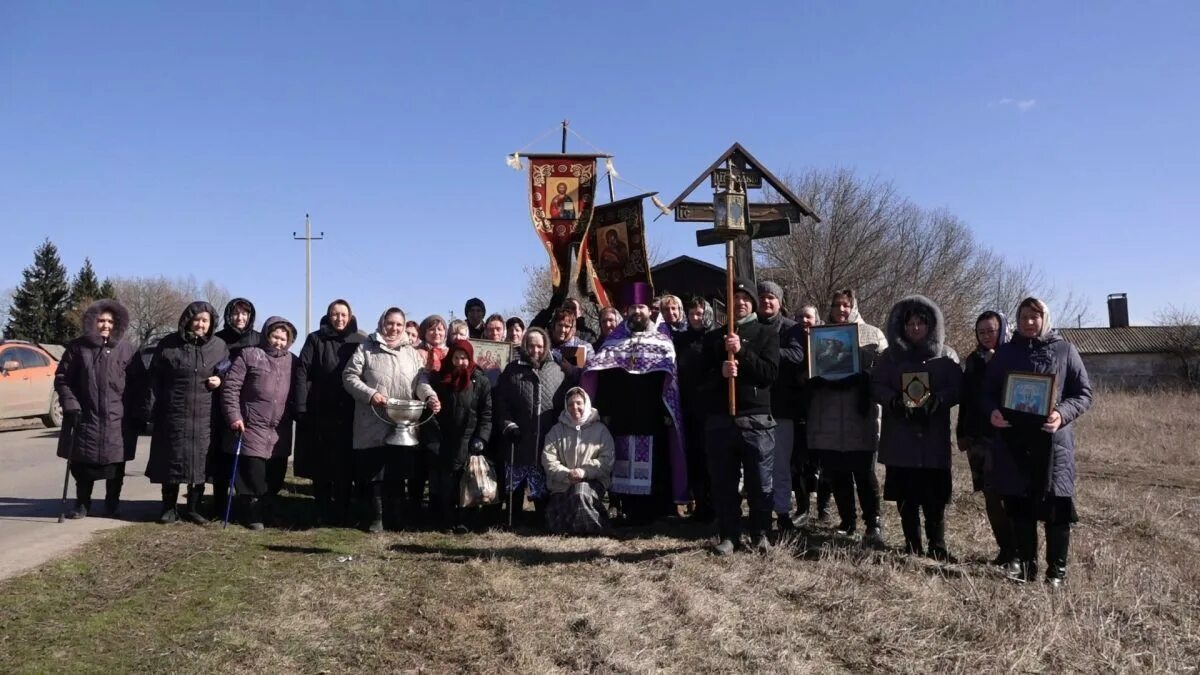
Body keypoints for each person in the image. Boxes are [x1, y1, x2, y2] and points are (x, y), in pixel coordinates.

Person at [984, 297, 1093, 587]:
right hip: (1013, 442)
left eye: (1035, 316)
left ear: (1045, 318)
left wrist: (1061, 413)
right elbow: (986, 391)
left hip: (1053, 445)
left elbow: (1083, 394)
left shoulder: (1065, 351)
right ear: (1016, 321)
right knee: (1019, 507)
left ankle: (1055, 573)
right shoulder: (1005, 354)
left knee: (1056, 510)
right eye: (1023, 317)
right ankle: (1027, 568)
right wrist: (992, 411)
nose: (1029, 322)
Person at [582, 289, 689, 526]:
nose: (637, 312)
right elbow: (603, 377)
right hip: (623, 413)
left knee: (655, 461)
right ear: (626, 311)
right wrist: (606, 411)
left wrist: (667, 411)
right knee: (622, 460)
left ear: (649, 310)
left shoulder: (662, 340)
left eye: (641, 307)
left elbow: (670, 379)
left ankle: (656, 511)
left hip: (653, 414)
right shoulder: (614, 341)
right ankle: (626, 509)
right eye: (632, 308)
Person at [872, 296, 962, 560]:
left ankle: (938, 545)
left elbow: (958, 388)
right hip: (901, 437)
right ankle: (912, 544)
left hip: (933, 438)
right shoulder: (889, 357)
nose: (914, 328)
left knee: (935, 497)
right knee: (907, 496)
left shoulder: (946, 355)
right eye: (909, 323)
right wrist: (893, 400)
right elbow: (875, 386)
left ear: (931, 325)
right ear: (901, 326)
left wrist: (938, 400)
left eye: (920, 324)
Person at [343, 307, 440, 533]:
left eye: (399, 324)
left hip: (402, 423)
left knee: (398, 472)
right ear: (382, 323)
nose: (394, 328)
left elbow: (421, 381)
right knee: (375, 473)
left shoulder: (411, 353)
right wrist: (370, 394)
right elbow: (349, 376)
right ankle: (376, 518)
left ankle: (396, 517)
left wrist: (430, 396)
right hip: (372, 419)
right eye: (390, 323)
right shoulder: (366, 348)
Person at [805, 289, 888, 548]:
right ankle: (847, 521)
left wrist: (864, 376)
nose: (840, 310)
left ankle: (873, 523)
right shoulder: (821, 336)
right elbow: (807, 371)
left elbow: (884, 370)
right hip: (828, 416)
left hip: (859, 416)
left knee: (864, 473)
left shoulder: (872, 334)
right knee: (836, 473)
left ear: (853, 305)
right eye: (836, 305)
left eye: (845, 305)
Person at [702, 280, 779, 554]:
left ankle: (760, 534)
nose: (741, 302)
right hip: (721, 422)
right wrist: (719, 374)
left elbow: (769, 374)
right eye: (736, 298)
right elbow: (699, 382)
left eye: (746, 298)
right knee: (724, 484)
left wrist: (742, 351)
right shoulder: (713, 338)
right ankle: (729, 536)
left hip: (756, 420)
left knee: (759, 483)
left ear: (753, 304)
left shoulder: (766, 334)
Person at [54, 299, 141, 519]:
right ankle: (82, 503)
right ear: (93, 322)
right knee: (82, 464)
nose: (105, 325)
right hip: (85, 416)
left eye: (110, 321)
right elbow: (62, 378)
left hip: (116, 418)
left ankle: (112, 504)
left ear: (117, 323)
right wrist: (70, 403)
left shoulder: (127, 350)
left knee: (115, 465)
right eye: (101, 320)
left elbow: (139, 382)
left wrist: (136, 411)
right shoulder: (78, 347)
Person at [145, 301, 229, 524]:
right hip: (173, 412)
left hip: (205, 414)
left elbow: (227, 369)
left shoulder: (219, 346)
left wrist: (220, 378)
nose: (200, 324)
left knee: (200, 462)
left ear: (211, 324)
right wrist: (150, 410)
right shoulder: (169, 344)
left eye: (205, 320)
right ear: (187, 320)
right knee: (171, 461)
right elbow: (154, 378)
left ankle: (193, 507)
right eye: (197, 320)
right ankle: (168, 508)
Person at [218, 317, 297, 530]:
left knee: (274, 476)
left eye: (284, 339)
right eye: (275, 337)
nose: (279, 342)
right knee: (252, 476)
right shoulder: (249, 355)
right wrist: (234, 416)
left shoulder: (293, 361)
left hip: (279, 431)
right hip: (251, 427)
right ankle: (251, 513)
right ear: (266, 335)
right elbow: (231, 388)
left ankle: (268, 511)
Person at [293, 299, 366, 525]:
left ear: (351, 316)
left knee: (345, 464)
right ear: (328, 316)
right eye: (335, 314)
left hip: (350, 409)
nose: (339, 319)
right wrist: (301, 405)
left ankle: (342, 510)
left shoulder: (360, 340)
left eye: (343, 314)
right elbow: (302, 371)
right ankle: (322, 510)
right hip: (320, 409)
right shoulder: (316, 339)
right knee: (321, 463)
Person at [957, 310, 1015, 568]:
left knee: (1010, 496)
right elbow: (966, 398)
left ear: (1001, 329)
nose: (987, 336)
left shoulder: (1013, 356)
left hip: (1008, 437)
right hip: (979, 438)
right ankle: (1004, 550)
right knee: (990, 497)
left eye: (992, 330)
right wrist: (961, 432)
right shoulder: (973, 360)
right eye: (982, 332)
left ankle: (1018, 552)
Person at [493, 327, 567, 528]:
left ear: (546, 347)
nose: (536, 350)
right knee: (514, 489)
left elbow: (563, 403)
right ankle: (512, 520)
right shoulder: (512, 369)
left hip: (546, 439)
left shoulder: (556, 370)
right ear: (525, 346)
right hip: (518, 438)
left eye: (540, 346)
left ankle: (541, 520)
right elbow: (501, 402)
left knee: (542, 491)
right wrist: (508, 425)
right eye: (531, 345)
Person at [757, 281, 807, 531]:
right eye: (763, 297)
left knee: (781, 465)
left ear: (779, 302)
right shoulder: (751, 326)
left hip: (782, 407)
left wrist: (767, 351)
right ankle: (761, 512)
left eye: (771, 298)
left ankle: (783, 512)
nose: (767, 301)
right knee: (757, 465)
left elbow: (798, 356)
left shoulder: (791, 328)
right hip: (754, 406)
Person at [429, 338, 492, 534]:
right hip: (445, 439)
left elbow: (486, 413)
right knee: (447, 482)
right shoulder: (441, 379)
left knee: (467, 481)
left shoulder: (480, 381)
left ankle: (465, 520)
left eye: (464, 358)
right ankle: (447, 521)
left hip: (469, 440)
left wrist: (481, 438)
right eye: (457, 357)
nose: (460, 362)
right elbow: (430, 411)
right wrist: (433, 438)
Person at [542, 387, 615, 535]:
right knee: (552, 521)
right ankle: (588, 524)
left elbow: (607, 460)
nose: (574, 407)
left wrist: (584, 472)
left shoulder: (601, 430)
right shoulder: (556, 431)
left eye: (578, 403)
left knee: (580, 494)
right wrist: (567, 474)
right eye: (570, 404)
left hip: (591, 483)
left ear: (586, 404)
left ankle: (601, 529)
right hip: (563, 484)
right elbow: (548, 459)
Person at [674, 295, 715, 521]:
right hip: (687, 406)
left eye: (699, 314)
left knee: (711, 457)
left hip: (709, 407)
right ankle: (698, 503)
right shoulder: (681, 340)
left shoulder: (713, 338)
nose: (695, 318)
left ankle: (713, 504)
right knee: (694, 458)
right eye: (691, 314)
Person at [793, 304, 832, 523]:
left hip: (823, 409)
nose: (803, 320)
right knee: (800, 462)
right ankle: (802, 508)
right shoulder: (790, 341)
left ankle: (824, 509)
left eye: (808, 316)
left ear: (816, 320)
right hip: (798, 410)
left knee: (824, 462)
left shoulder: (827, 342)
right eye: (799, 317)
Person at [410, 314, 450, 523]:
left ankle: (436, 508)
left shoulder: (450, 353)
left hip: (444, 414)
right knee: (418, 464)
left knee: (437, 463)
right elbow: (420, 380)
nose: (437, 333)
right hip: (420, 412)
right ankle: (414, 508)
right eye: (432, 329)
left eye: (441, 329)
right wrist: (430, 396)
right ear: (425, 332)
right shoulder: (416, 353)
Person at [548, 306, 593, 370]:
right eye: (560, 325)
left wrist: (571, 370)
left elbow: (588, 374)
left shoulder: (584, 347)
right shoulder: (544, 345)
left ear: (572, 328)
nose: (563, 330)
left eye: (567, 326)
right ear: (554, 326)